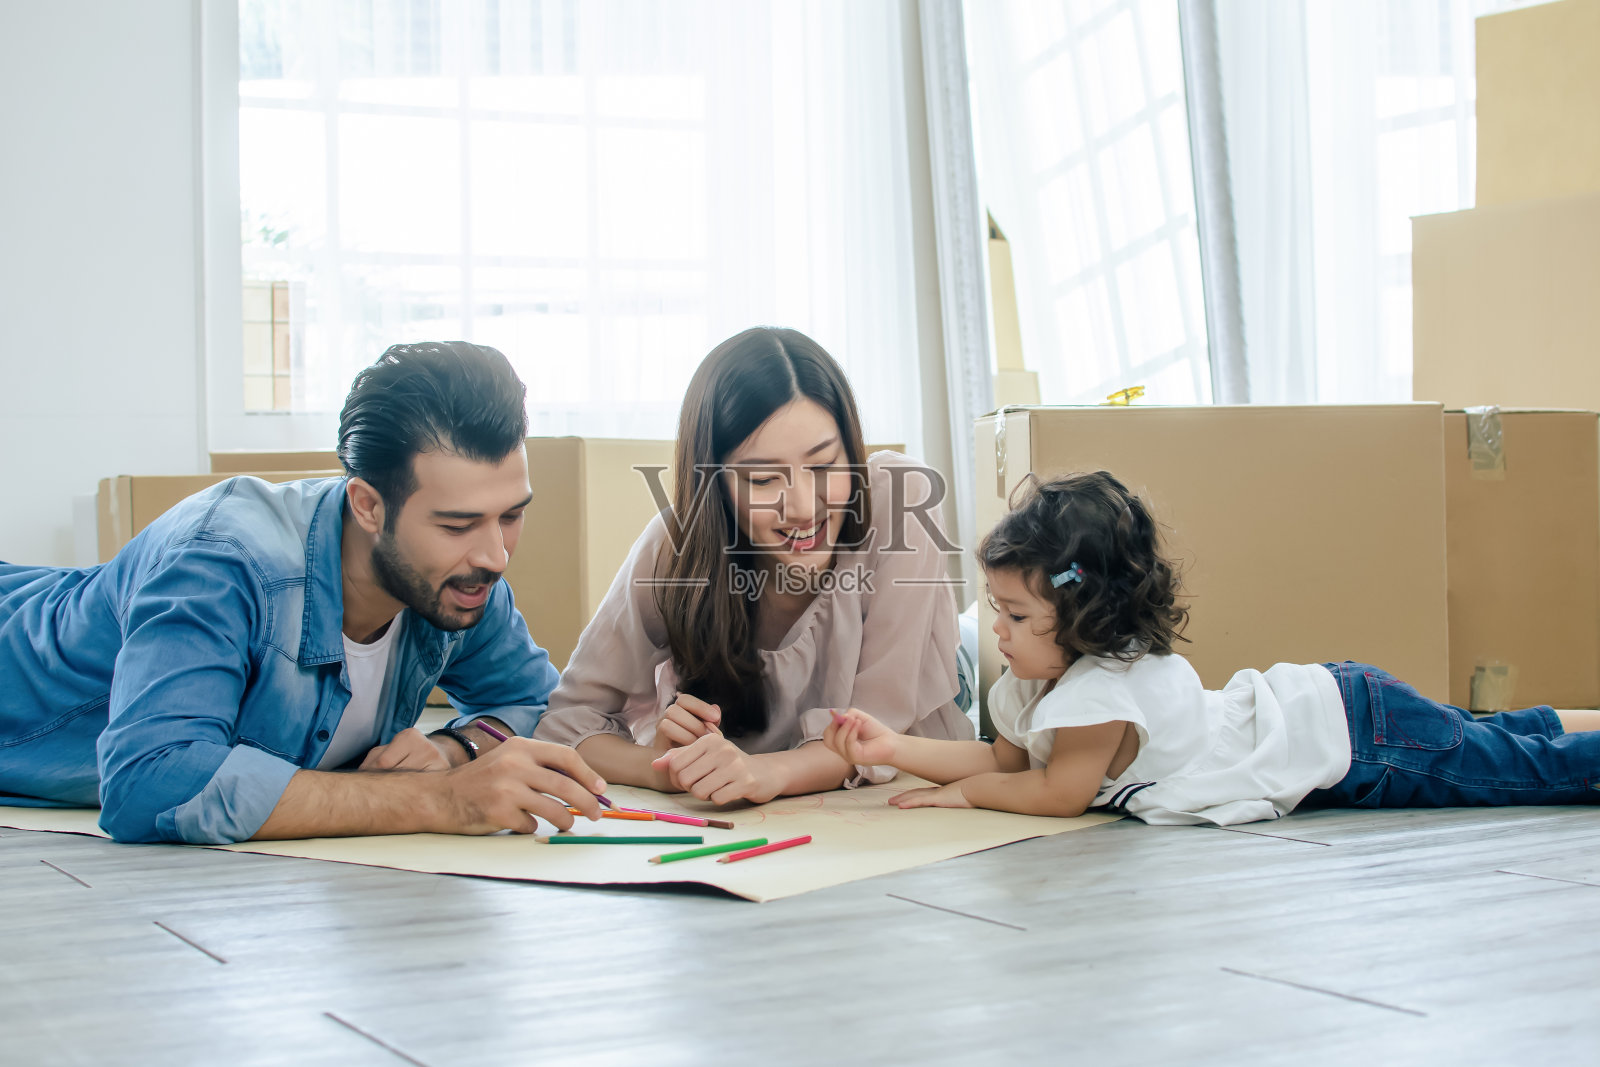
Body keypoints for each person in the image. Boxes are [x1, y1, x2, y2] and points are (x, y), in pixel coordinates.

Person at [0, 341, 606, 844]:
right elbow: (149, 780)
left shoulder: (460, 577)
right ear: (368, 505)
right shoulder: (221, 560)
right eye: (456, 525)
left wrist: (454, 748)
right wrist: (435, 800)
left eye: (511, 515)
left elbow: (533, 702)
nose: (495, 555)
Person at [822, 470, 1600, 824]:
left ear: (1085, 617)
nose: (998, 632)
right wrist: (896, 745)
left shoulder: (1097, 694)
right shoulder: (1044, 684)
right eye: (997, 611)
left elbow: (1051, 793)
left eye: (1018, 617)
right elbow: (1003, 758)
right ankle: (1573, 718)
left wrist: (961, 797)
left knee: (1515, 772)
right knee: (1491, 739)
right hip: (1339, 702)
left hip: (1355, 738)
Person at [534, 326, 974, 804]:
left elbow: (880, 725)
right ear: (716, 484)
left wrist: (769, 772)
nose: (804, 507)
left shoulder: (897, 495)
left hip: (940, 672)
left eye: (825, 466)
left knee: (986, 656)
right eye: (763, 479)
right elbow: (566, 721)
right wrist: (661, 768)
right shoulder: (676, 546)